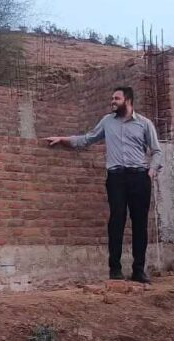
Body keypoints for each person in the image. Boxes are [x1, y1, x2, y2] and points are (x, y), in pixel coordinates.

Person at [45, 86, 162, 284]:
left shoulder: (144, 123)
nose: (112, 102)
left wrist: (152, 170)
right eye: (112, 98)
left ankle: (138, 270)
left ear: (128, 100)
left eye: (116, 98)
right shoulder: (107, 121)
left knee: (140, 223)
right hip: (116, 178)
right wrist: (63, 139)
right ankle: (115, 269)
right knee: (116, 220)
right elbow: (87, 139)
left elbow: (157, 151)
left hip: (139, 177)